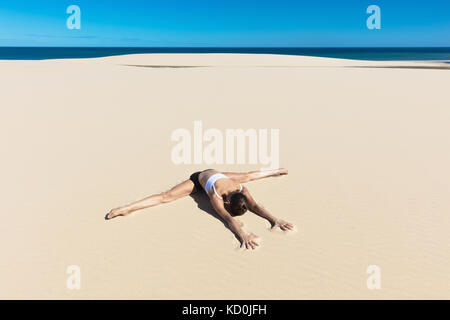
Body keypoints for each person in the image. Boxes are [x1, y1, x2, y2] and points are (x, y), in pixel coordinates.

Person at [106, 168, 294, 249]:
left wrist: (274, 219)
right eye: (227, 208)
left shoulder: (240, 189)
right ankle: (128, 208)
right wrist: (242, 235)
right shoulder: (215, 195)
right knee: (166, 197)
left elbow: (254, 205)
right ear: (227, 203)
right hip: (200, 179)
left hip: (221, 174)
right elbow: (228, 219)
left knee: (248, 175)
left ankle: (275, 171)